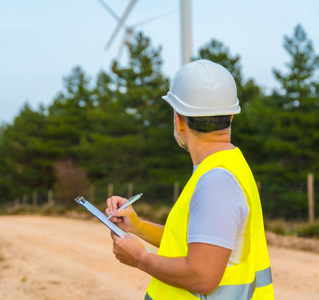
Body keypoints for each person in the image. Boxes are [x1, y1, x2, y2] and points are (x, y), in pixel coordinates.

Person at [105, 60, 274, 299]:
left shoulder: (216, 182)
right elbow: (198, 245)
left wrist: (141, 259)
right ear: (231, 118)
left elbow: (202, 276)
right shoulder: (227, 167)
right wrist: (138, 226)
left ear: (179, 120)